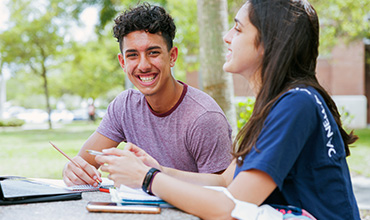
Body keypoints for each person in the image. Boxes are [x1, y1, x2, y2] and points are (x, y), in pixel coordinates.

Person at [95, 0, 361, 219]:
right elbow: (225, 183)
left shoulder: (297, 104)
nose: (226, 37)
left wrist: (147, 178)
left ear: (269, 41)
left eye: (238, 28)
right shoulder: (282, 103)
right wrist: (158, 169)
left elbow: (232, 210)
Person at [62, 3, 232, 188]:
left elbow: (222, 193)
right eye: (133, 55)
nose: (143, 65)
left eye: (153, 53)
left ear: (172, 56)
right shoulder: (124, 106)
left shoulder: (204, 117)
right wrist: (73, 170)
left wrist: (152, 176)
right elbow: (85, 162)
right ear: (122, 62)